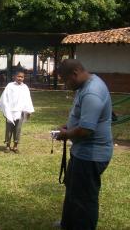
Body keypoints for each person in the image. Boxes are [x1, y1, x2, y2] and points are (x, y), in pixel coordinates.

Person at [55, 59, 113, 230]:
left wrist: (67, 134)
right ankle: (67, 224)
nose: (65, 85)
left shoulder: (92, 91)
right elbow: (82, 119)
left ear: (75, 73)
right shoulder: (84, 86)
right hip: (82, 152)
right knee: (72, 190)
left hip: (91, 155)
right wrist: (69, 126)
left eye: (66, 80)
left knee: (85, 199)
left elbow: (86, 130)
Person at [0, 69, 34, 154]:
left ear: (24, 78)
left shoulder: (25, 87)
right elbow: (4, 98)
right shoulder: (10, 86)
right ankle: (7, 145)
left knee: (18, 129)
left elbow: (28, 99)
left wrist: (28, 111)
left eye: (22, 77)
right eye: (18, 76)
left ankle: (15, 146)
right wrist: (6, 110)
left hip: (20, 111)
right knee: (9, 129)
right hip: (10, 111)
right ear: (14, 77)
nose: (20, 78)